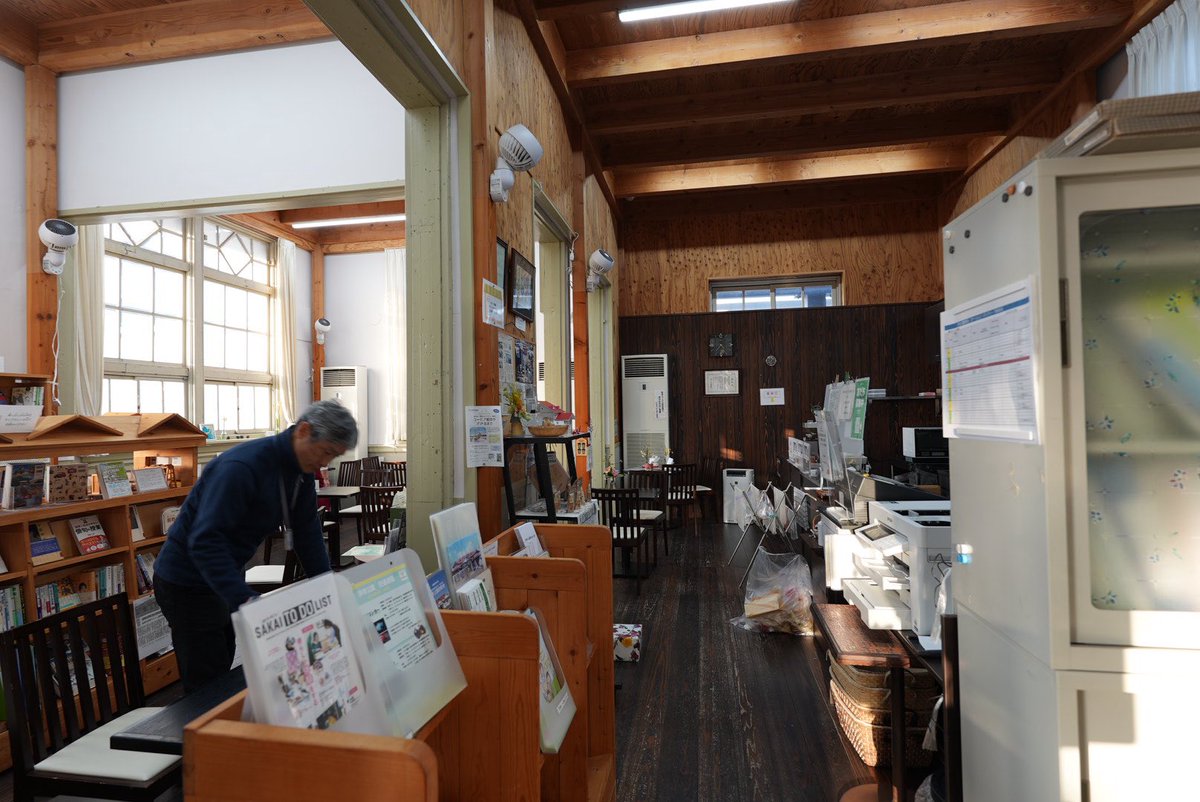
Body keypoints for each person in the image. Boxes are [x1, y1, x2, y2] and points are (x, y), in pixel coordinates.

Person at [153, 400, 357, 692]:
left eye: (334, 456)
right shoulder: (243, 467)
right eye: (326, 452)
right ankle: (204, 733)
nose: (326, 463)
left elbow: (307, 532)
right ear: (303, 430)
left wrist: (326, 586)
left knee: (223, 660)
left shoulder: (299, 471)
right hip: (186, 580)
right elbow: (205, 542)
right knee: (207, 681)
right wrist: (245, 599)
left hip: (223, 575)